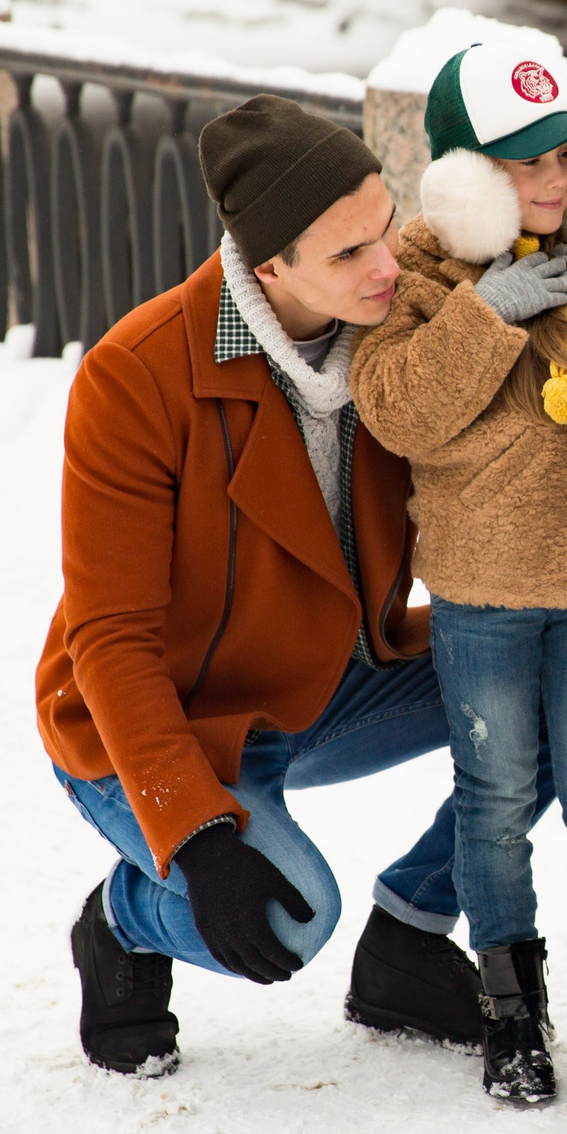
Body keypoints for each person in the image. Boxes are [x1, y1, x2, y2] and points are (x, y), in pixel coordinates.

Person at [43, 94, 499, 1076]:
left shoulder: (395, 331)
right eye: (347, 254)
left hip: (331, 686)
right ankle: (122, 922)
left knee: (552, 693)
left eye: (385, 228)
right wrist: (198, 837)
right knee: (289, 921)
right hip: (164, 728)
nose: (386, 267)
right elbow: (110, 641)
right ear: (267, 269)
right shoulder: (136, 377)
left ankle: (412, 935)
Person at [349, 45, 567, 1107]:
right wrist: (488, 311)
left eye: (563, 159)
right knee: (495, 799)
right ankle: (511, 1013)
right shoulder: (418, 277)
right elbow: (399, 410)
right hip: (481, 594)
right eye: (518, 167)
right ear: (462, 171)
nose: (550, 185)